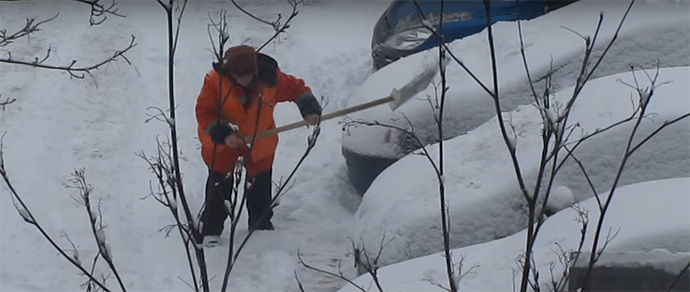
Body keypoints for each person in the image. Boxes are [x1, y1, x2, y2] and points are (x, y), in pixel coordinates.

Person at [195, 45, 322, 247]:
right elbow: (204, 112)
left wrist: (309, 109)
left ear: (255, 70)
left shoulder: (269, 79)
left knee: (260, 185)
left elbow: (298, 89)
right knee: (220, 184)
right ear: (230, 72)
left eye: (248, 74)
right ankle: (210, 229)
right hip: (226, 141)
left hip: (260, 139)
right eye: (239, 75)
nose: (244, 79)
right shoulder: (214, 82)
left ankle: (260, 224)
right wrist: (224, 133)